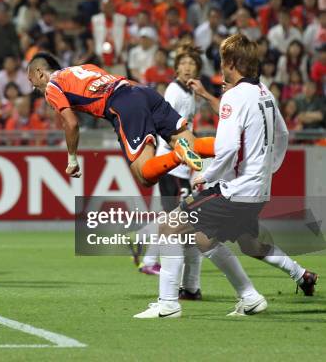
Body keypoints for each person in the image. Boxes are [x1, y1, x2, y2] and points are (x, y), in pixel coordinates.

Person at [134, 34, 318, 319]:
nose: (220, 67)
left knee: (170, 227)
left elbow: (229, 147)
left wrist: (207, 176)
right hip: (257, 188)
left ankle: (168, 303)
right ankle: (251, 297)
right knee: (222, 242)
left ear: (231, 63)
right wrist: (267, 168)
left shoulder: (233, 96)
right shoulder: (265, 94)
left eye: (222, 61)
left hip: (234, 189)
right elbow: (281, 134)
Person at [27, 52, 217, 187]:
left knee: (145, 176)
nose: (33, 88)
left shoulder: (52, 86)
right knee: (195, 145)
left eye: (32, 82)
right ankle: (235, 142)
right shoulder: (83, 68)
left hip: (123, 103)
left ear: (40, 73)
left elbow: (71, 123)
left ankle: (178, 154)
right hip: (142, 92)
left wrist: (72, 159)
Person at [138, 45, 209, 300]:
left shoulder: (189, 92)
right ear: (176, 67)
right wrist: (189, 151)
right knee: (180, 223)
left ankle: (145, 249)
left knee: (176, 221)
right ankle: (182, 284)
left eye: (193, 63)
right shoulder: (174, 92)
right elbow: (165, 129)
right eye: (184, 63)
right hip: (172, 166)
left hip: (179, 167)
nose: (188, 67)